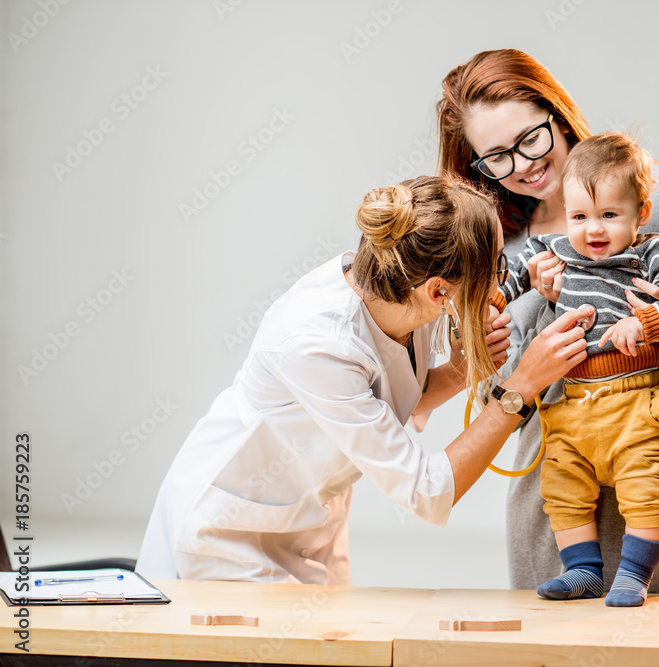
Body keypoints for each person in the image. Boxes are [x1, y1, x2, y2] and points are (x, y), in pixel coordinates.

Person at [437, 49, 659, 596]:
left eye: (531, 138)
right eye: (497, 157)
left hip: (650, 513)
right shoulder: (498, 242)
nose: (522, 165)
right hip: (550, 516)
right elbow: (488, 388)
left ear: (559, 113)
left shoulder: (654, 196)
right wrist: (508, 355)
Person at [135, 175, 593, 585]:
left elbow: (396, 401)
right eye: (495, 268)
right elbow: (427, 491)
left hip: (306, 521)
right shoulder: (318, 343)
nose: (501, 284)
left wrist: (458, 371)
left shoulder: (396, 284)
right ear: (439, 291)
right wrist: (519, 389)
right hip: (227, 535)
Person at [494, 131, 659, 606]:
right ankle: (583, 572)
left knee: (647, 487)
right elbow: (509, 274)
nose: (593, 230)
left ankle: (635, 575)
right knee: (562, 486)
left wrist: (649, 321)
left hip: (637, 403)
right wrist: (496, 299)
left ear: (642, 214)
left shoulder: (652, 253)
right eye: (580, 217)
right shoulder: (556, 250)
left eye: (609, 216)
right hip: (573, 408)